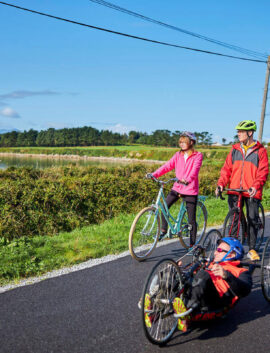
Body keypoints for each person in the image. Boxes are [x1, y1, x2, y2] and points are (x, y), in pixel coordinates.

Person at [215, 120, 269, 261]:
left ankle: (251, 248)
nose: (238, 134)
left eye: (241, 131)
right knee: (234, 219)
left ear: (250, 133)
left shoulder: (260, 151)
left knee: (252, 219)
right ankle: (232, 248)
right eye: (238, 131)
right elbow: (226, 169)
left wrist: (255, 186)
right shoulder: (234, 150)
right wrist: (221, 184)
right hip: (234, 189)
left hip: (251, 191)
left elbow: (263, 172)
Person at [173, 237, 252, 331]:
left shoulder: (240, 271)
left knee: (203, 274)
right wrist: (181, 270)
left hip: (215, 301)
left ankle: (187, 314)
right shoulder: (210, 263)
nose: (215, 253)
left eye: (219, 250)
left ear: (231, 254)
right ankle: (155, 307)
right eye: (216, 249)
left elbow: (245, 289)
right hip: (198, 291)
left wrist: (226, 275)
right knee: (173, 270)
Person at [148, 131, 203, 247]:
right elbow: (167, 166)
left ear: (191, 142)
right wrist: (155, 174)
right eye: (180, 142)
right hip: (177, 187)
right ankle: (163, 230)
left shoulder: (198, 155)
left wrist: (187, 179)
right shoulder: (178, 155)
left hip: (190, 189)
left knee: (191, 220)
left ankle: (193, 246)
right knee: (164, 207)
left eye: (184, 142)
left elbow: (195, 171)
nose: (182, 144)